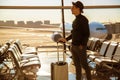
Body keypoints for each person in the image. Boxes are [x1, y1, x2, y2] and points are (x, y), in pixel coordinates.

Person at [58, 1, 92, 80]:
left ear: (78, 8)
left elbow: (86, 34)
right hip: (73, 46)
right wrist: (65, 39)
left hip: (80, 47)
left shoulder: (84, 20)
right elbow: (73, 33)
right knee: (77, 66)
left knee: (84, 65)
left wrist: (82, 45)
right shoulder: (75, 20)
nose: (71, 9)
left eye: (73, 7)